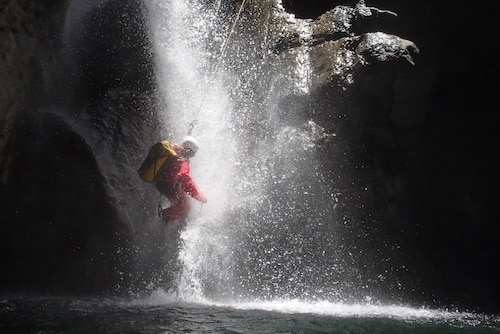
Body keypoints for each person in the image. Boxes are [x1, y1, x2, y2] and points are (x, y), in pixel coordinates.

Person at [154, 136, 207, 223]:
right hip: (168, 187)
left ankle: (169, 213)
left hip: (160, 182)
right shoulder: (182, 161)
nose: (193, 156)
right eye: (193, 153)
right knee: (185, 205)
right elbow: (185, 178)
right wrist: (198, 196)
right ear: (189, 151)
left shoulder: (174, 151)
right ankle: (166, 217)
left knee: (181, 198)